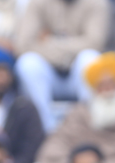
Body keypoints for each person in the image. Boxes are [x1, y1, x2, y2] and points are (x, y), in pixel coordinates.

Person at [13, 0, 108, 133]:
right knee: (27, 63)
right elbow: (24, 45)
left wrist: (50, 43)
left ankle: (90, 126)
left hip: (77, 74)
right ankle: (44, 129)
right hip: (48, 73)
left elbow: (95, 43)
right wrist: (67, 51)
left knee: (90, 58)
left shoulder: (97, 3)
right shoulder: (37, 3)